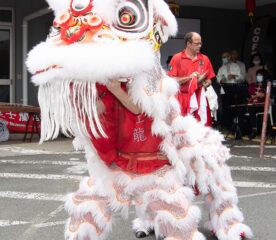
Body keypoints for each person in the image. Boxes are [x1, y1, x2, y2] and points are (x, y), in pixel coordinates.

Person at [26, 1, 253, 239]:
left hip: (155, 156)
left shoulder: (147, 70)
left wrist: (117, 91)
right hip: (117, 159)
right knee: (89, 208)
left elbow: (147, 108)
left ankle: (227, 221)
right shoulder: (101, 73)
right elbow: (95, 107)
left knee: (202, 174)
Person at [168, 32, 216, 126]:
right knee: (182, 130)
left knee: (202, 128)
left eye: (200, 43)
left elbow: (209, 80)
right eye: (197, 43)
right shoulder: (177, 58)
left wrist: (206, 83)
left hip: (200, 99)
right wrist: (190, 78)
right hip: (182, 99)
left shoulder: (205, 59)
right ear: (188, 44)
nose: (200, 46)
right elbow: (171, 80)